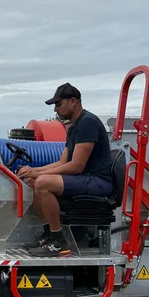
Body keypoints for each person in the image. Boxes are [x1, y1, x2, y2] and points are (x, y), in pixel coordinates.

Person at [17, 83, 112, 257]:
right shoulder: (73, 127)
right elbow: (61, 162)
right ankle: (49, 234)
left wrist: (39, 174)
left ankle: (57, 240)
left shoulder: (88, 122)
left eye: (59, 104)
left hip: (98, 181)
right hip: (84, 178)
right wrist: (33, 171)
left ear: (73, 101)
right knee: (31, 182)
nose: (55, 110)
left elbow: (76, 166)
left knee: (43, 183)